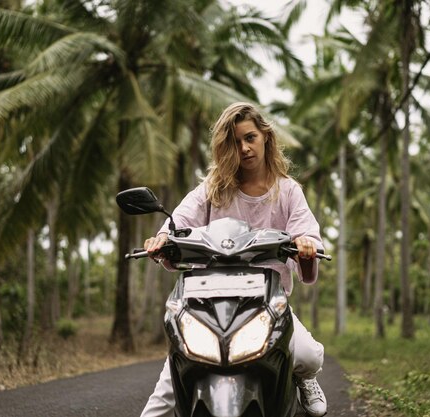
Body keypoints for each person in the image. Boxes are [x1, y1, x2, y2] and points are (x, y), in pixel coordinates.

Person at [140, 102, 327, 417]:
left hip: (267, 303)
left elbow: (307, 260)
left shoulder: (288, 191)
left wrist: (306, 248)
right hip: (207, 304)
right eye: (235, 142)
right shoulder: (212, 189)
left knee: (308, 357)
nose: (244, 148)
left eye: (250, 137)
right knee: (169, 384)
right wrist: (162, 242)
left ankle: (304, 379)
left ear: (265, 137)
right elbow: (176, 226)